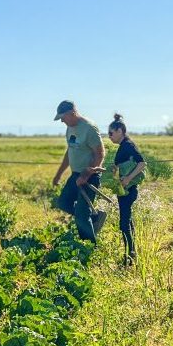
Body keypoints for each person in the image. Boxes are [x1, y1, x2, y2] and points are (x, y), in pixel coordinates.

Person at [51, 100, 107, 241]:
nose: (62, 121)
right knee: (63, 202)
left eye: (63, 117)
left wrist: (87, 173)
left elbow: (100, 154)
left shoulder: (89, 128)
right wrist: (58, 174)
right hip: (76, 175)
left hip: (90, 176)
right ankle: (94, 217)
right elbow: (69, 152)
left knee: (81, 216)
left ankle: (89, 247)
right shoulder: (70, 128)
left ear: (72, 113)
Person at [107, 113, 145, 264]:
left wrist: (128, 178)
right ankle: (131, 252)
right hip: (125, 190)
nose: (109, 136)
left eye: (111, 133)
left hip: (128, 190)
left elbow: (142, 163)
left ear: (120, 131)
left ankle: (130, 257)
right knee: (127, 222)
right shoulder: (124, 145)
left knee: (124, 224)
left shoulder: (128, 145)